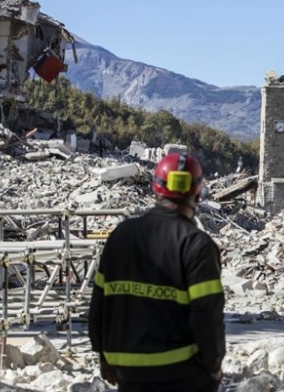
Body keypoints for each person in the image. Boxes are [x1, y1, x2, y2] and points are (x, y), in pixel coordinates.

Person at [89, 152, 226, 392]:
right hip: (180, 371)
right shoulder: (197, 245)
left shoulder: (121, 235)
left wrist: (103, 355)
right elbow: (207, 316)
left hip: (127, 371)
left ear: (155, 189)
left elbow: (99, 301)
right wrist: (214, 365)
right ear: (198, 192)